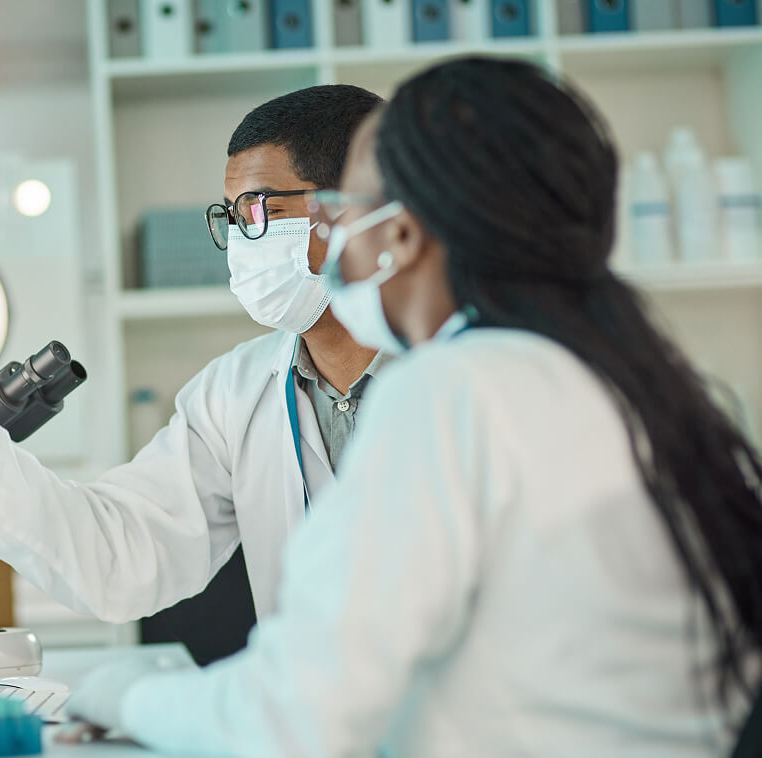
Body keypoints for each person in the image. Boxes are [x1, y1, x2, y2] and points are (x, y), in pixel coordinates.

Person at [63, 57, 762, 756]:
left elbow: (292, 716)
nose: (335, 239)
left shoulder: (454, 388)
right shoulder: (625, 375)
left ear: (399, 232)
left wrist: (120, 693)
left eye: (348, 208)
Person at [0, 85, 389, 653]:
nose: (241, 238)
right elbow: (121, 555)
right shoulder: (233, 395)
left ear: (353, 207)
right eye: (231, 214)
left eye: (258, 208)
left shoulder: (460, 375)